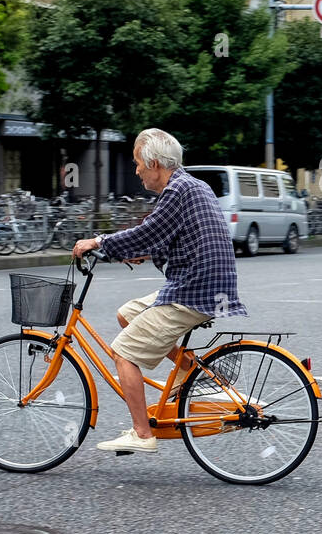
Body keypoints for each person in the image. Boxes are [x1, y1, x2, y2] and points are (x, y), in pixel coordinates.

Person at [72, 128, 246, 454]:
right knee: (127, 314)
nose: (136, 170)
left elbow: (149, 231)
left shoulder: (176, 191)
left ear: (153, 163)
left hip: (194, 290)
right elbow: (173, 236)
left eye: (138, 163)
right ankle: (189, 369)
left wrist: (98, 242)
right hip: (205, 284)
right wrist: (144, 251)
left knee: (123, 352)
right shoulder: (192, 185)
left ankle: (142, 433)